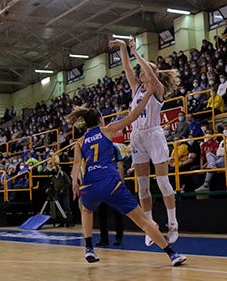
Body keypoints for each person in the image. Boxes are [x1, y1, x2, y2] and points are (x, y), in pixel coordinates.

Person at [69, 93, 185, 266]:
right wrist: (146, 98)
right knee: (144, 222)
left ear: (85, 124)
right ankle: (172, 254)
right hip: (110, 182)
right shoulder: (107, 130)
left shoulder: (80, 141)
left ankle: (89, 248)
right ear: (101, 119)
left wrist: (74, 184)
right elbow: (133, 116)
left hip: (90, 184)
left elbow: (77, 164)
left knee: (86, 211)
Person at [111, 38, 181, 246]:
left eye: (143, 71)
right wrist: (124, 49)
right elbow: (126, 69)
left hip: (154, 135)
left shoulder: (157, 88)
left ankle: (173, 223)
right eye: (140, 72)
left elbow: (150, 73)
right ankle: (150, 225)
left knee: (162, 181)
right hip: (137, 136)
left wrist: (136, 51)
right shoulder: (136, 89)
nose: (140, 74)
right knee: (142, 186)